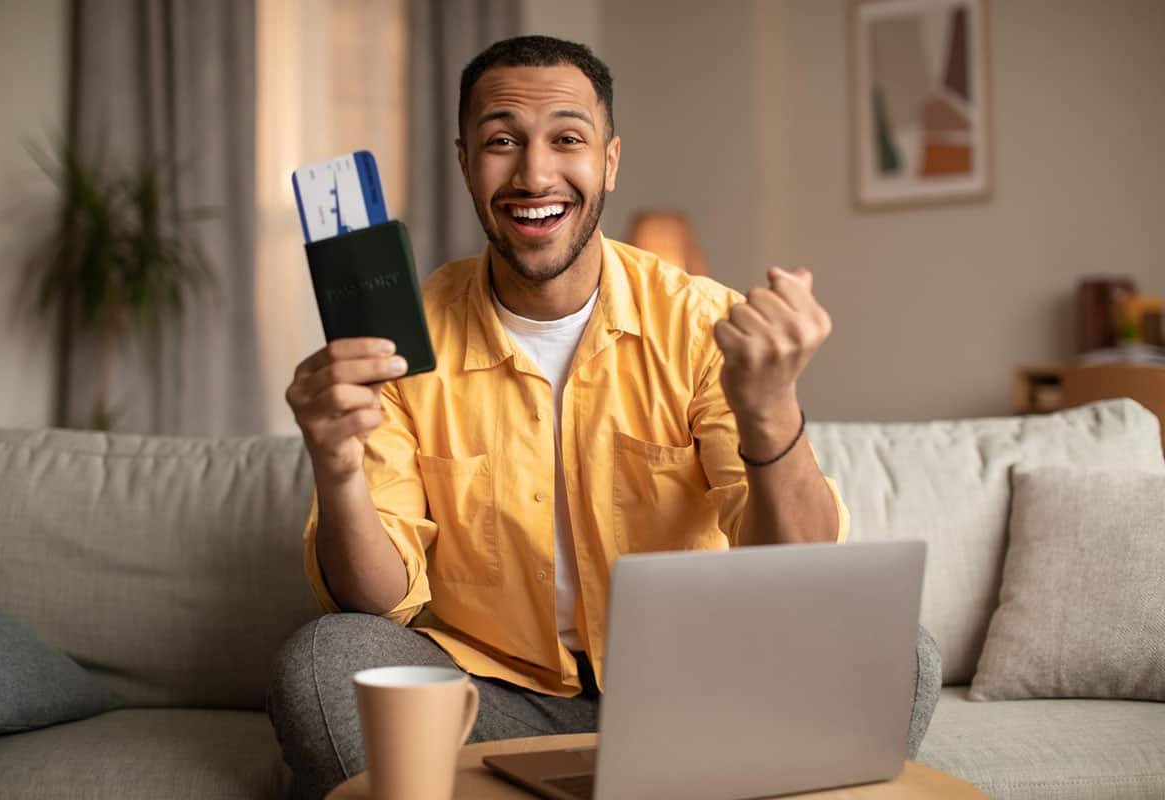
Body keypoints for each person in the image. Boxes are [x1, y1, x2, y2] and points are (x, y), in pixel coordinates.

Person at [269, 35, 940, 800]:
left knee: (900, 655)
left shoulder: (701, 324)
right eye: (501, 142)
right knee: (324, 660)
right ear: (464, 162)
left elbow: (805, 577)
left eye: (567, 139)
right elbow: (379, 601)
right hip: (490, 701)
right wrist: (337, 466)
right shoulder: (400, 342)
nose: (534, 173)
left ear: (610, 162)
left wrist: (769, 412)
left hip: (694, 699)